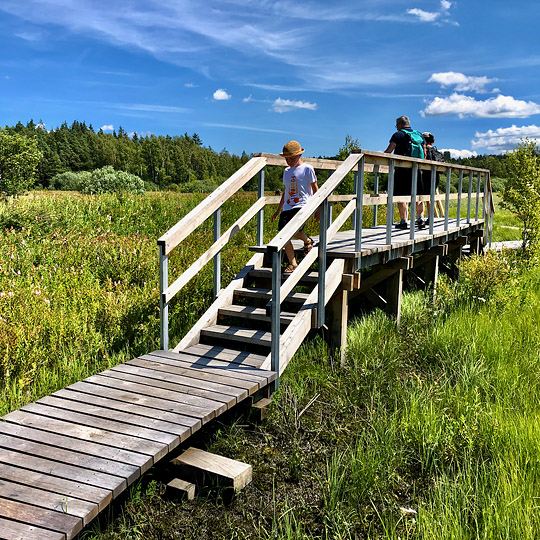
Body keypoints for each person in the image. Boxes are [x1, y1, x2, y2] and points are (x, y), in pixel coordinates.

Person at [271, 140, 319, 273]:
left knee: (295, 230)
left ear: (299, 155)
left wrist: (318, 208)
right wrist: (278, 210)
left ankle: (307, 240)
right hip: (288, 206)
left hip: (303, 204)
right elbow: (285, 191)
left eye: (292, 158)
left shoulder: (307, 169)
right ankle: (293, 263)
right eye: (287, 158)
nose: (289, 161)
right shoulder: (286, 171)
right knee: (283, 233)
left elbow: (315, 189)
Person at [384, 116, 426, 229]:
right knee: (418, 195)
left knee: (401, 195)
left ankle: (403, 221)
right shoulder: (419, 135)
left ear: (400, 124)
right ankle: (421, 219)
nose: (396, 127)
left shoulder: (398, 135)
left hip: (401, 170)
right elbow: (425, 154)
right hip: (417, 170)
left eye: (396, 125)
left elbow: (389, 151)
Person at [417, 132, 443, 228]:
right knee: (430, 197)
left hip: (423, 175)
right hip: (435, 176)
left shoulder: (423, 150)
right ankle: (430, 218)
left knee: (420, 197)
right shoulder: (436, 151)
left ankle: (420, 218)